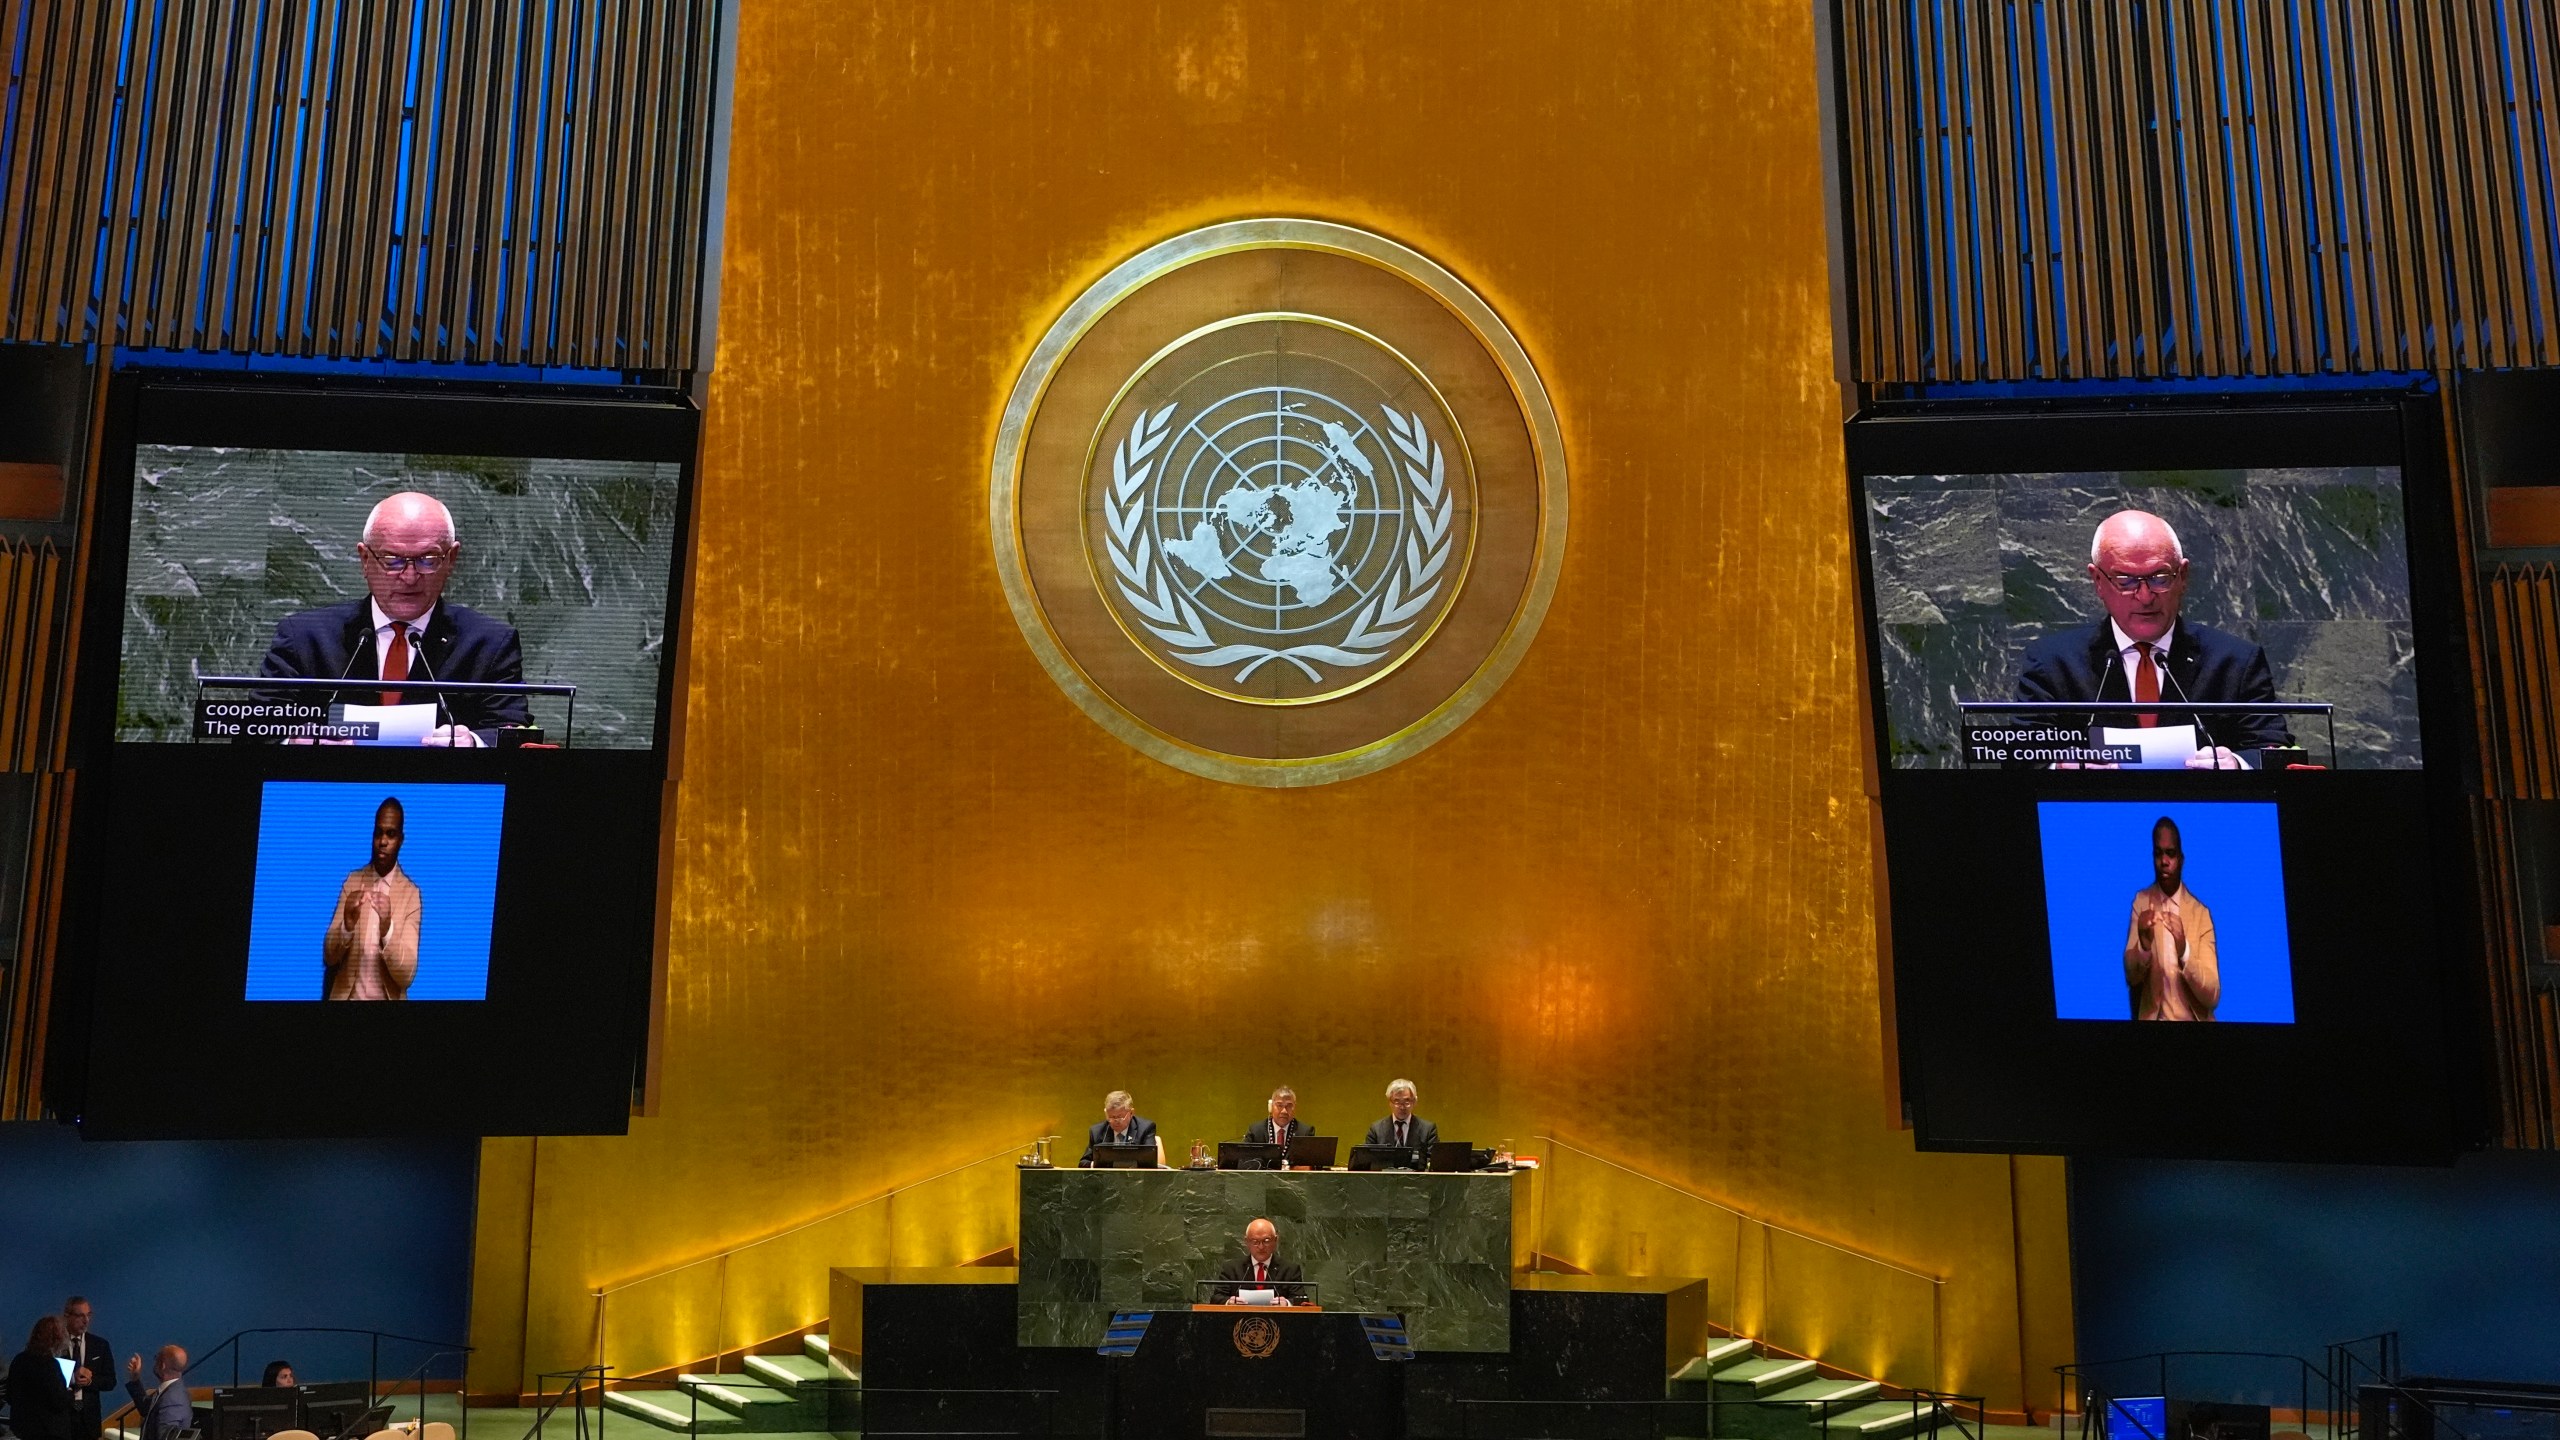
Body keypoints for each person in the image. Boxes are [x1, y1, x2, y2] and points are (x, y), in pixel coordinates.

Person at [2014, 510, 2287, 768]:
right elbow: (2021, 758)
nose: (2145, 597)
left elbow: (2273, 749)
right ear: (2098, 581)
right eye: (2126, 581)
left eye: (2159, 578)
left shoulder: (2236, 661)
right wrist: (2061, 766)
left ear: (2182, 576)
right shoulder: (2052, 663)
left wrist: (2238, 764)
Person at [257, 491, 530, 745]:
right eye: (392, 560)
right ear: (365, 559)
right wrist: (293, 742)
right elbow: (255, 730)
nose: (409, 577)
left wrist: (473, 742)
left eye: (428, 559)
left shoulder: (490, 643)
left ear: (451, 559)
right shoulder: (304, 637)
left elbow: (512, 731)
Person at [323, 797, 422, 1001]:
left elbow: (407, 975)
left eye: (391, 834)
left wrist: (387, 930)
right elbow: (328, 955)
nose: (383, 841)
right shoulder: (352, 882)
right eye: (378, 833)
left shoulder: (411, 895)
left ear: (401, 840)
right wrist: (346, 927)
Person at [2123, 816, 2220, 1021]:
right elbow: (2131, 976)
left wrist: (2184, 951)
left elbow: (2213, 995)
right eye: (2158, 854)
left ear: (2181, 859)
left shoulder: (2200, 914)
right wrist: (2143, 946)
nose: (2164, 861)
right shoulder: (2141, 903)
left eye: (2170, 853)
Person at [7, 1316, 76, 1440]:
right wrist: (70, 1392)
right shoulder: (50, 1365)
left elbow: (10, 1396)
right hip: (49, 1431)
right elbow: (58, 1401)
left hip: (23, 1429)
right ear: (56, 1339)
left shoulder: (19, 1359)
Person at [1209, 1218, 1308, 1304]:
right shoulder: (1231, 1269)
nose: (1261, 1247)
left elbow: (1301, 1300)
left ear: (1275, 1240)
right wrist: (1229, 1302)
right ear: (1246, 1242)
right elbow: (1216, 1298)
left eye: (1266, 1241)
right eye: (1255, 1242)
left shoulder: (1290, 1269)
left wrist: (1286, 1303)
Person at [58, 1299, 108, 1440]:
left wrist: (90, 1381)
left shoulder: (100, 1345)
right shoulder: (55, 1343)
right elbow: (47, 1379)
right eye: (80, 1316)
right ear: (67, 1316)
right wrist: (72, 1378)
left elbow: (110, 1381)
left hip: (88, 1419)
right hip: (61, 1416)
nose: (86, 1321)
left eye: (89, 1315)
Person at [1080, 1090, 1161, 1166]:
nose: (1115, 1121)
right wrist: (1097, 1165)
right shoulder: (1096, 1131)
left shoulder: (1145, 1128)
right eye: (1111, 1117)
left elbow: (1149, 1163)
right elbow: (1083, 1163)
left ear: (1131, 1112)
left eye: (1119, 1117)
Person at [125, 1348, 191, 1440]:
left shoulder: (172, 1400)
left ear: (163, 1365)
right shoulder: (170, 1390)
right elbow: (146, 1409)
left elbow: (164, 1437)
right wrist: (135, 1379)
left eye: (156, 1359)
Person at [1363, 1079, 1440, 1152]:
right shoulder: (1376, 1130)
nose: (1402, 1107)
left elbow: (1434, 1162)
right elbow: (1367, 1159)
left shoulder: (1428, 1130)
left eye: (1407, 1102)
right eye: (1397, 1102)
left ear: (1414, 1102)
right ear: (1390, 1102)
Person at [1243, 1086, 1316, 1146]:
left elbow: (1315, 1162)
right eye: (1279, 1105)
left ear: (1295, 1108)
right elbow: (1243, 1160)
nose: (1284, 1111)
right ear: (1271, 1107)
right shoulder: (1256, 1131)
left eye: (1289, 1106)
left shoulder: (1305, 1133)